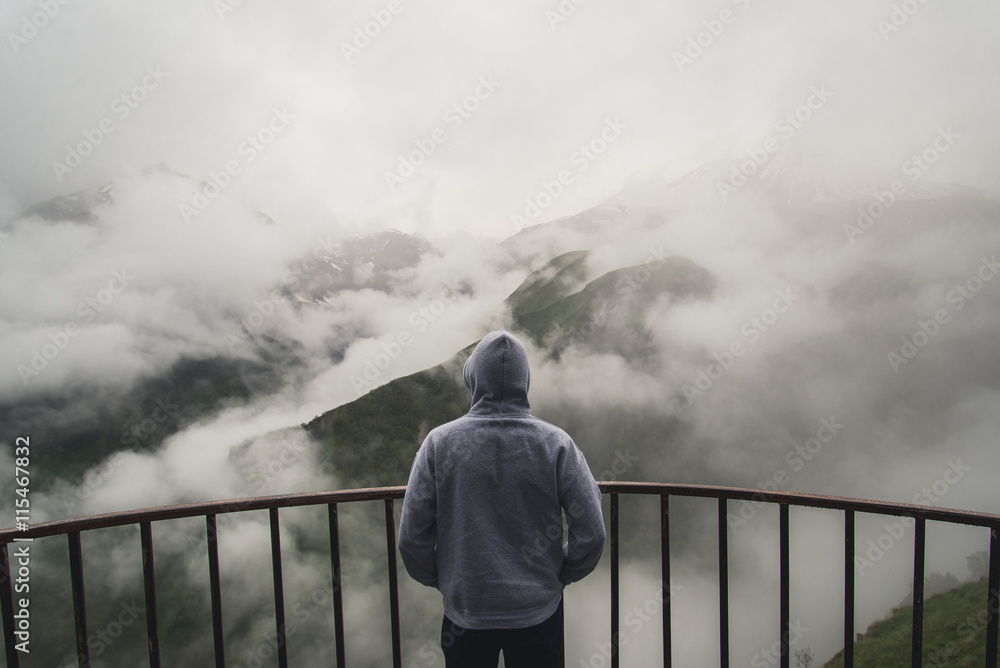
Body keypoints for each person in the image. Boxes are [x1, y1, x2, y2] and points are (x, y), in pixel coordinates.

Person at [398, 330, 606, 667]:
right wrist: (560, 574)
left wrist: (443, 577)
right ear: (525, 380)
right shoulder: (557, 444)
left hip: (466, 612)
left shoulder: (439, 444)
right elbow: (592, 531)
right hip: (537, 613)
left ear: (474, 378)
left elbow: (411, 537)